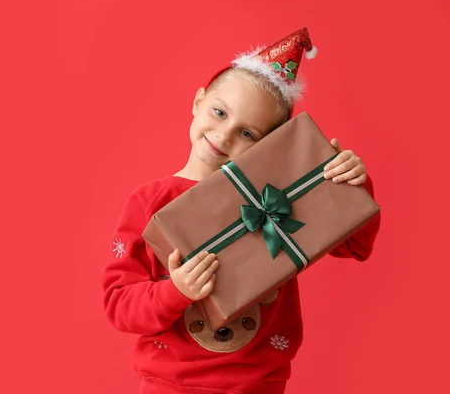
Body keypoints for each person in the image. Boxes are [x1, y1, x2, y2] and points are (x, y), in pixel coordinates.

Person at [102, 27, 381, 394]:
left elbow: (355, 245)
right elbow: (118, 303)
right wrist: (176, 291)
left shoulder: (278, 197)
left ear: (272, 146)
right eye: (219, 112)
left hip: (261, 384)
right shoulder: (149, 201)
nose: (225, 134)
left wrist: (349, 185)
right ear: (198, 101)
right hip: (170, 385)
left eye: (248, 133)